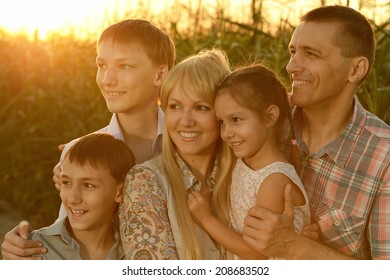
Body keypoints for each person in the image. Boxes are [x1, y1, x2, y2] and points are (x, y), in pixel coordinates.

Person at [1, 19, 176, 260]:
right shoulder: (78, 152)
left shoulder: (190, 145)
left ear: (160, 74)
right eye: (102, 65)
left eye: (124, 66)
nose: (107, 79)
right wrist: (23, 248)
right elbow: (70, 237)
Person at [242, 5, 390, 260]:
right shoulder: (263, 119)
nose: (291, 66)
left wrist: (296, 247)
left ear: (356, 69)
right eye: (293, 52)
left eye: (311, 54)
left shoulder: (384, 158)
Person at [119, 48, 235, 259]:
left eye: (201, 108)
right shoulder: (145, 182)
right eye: (175, 106)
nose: (186, 121)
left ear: (223, 113)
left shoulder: (244, 176)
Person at [187, 64, 311, 259]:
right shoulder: (245, 159)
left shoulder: (273, 181)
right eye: (221, 122)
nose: (227, 133)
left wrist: (206, 219)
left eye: (236, 119)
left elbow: (257, 252)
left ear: (270, 116)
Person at [29, 132, 136, 259]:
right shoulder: (30, 250)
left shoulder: (138, 255)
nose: (73, 199)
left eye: (88, 185)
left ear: (119, 192)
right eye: (66, 183)